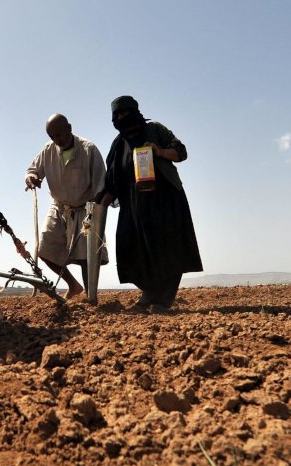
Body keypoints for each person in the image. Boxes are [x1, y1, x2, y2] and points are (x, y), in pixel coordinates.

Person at [96, 95, 202, 313]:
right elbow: (112, 182)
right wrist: (99, 207)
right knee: (130, 250)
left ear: (136, 112)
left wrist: (159, 151)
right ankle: (150, 293)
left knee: (169, 249)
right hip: (133, 207)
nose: (122, 118)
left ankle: (162, 301)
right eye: (117, 115)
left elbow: (181, 152)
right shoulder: (118, 144)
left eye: (126, 113)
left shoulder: (155, 130)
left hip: (165, 201)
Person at [25, 114, 108, 299]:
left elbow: (101, 184)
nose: (57, 140)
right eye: (52, 137)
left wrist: (96, 211)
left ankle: (90, 294)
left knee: (87, 253)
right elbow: (32, 170)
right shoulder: (48, 150)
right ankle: (73, 285)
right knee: (44, 248)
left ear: (69, 128)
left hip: (86, 209)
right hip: (59, 207)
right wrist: (32, 178)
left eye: (60, 135)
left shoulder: (89, 150)